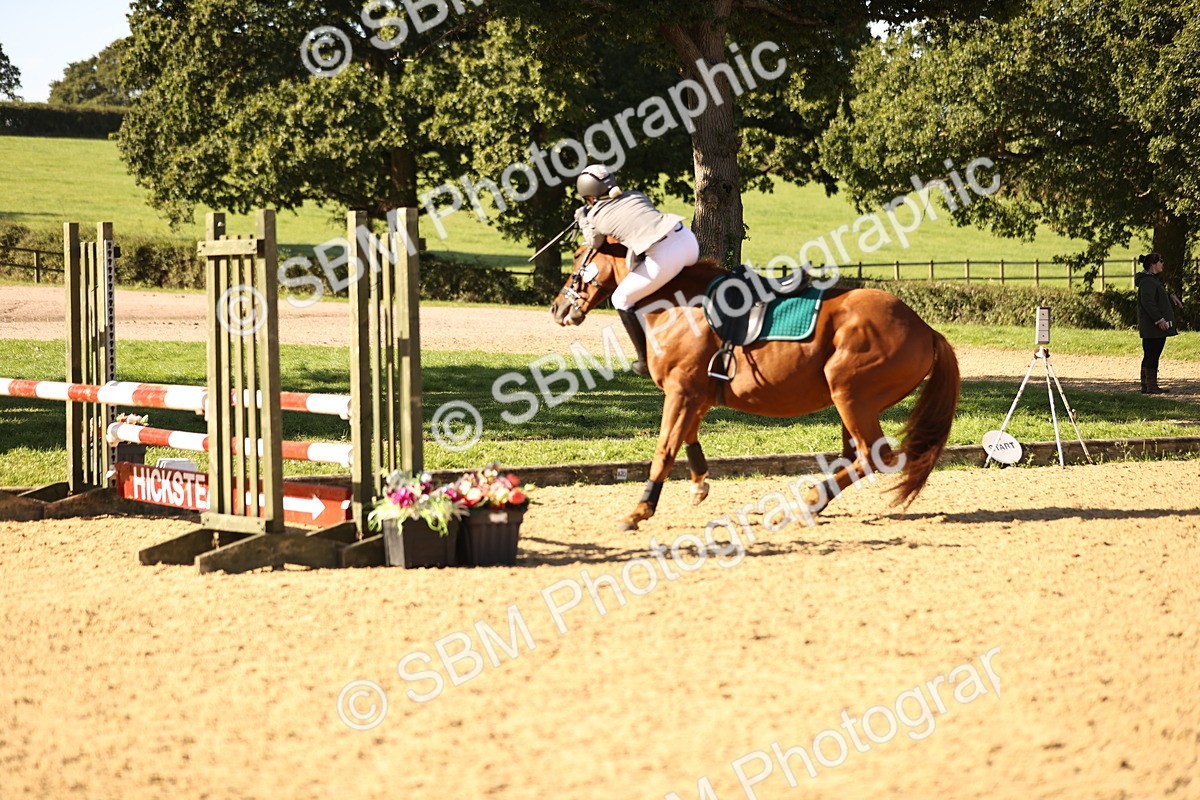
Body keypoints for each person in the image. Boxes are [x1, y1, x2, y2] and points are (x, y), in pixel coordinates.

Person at [574, 164, 700, 376]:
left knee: (621, 299)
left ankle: (645, 360)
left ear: (590, 197)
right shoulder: (635, 195)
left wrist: (584, 219)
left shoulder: (596, 216)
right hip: (687, 239)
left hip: (666, 253)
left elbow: (595, 243)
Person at [1134, 252, 1183, 393]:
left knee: (1150, 354)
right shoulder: (1148, 281)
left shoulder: (1151, 280)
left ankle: (1146, 385)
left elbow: (1158, 293)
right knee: (1153, 354)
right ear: (1153, 264)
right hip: (1153, 327)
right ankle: (1151, 386)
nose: (1162, 263)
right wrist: (1159, 319)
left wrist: (1171, 295)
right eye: (1160, 261)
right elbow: (1148, 302)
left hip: (1152, 326)